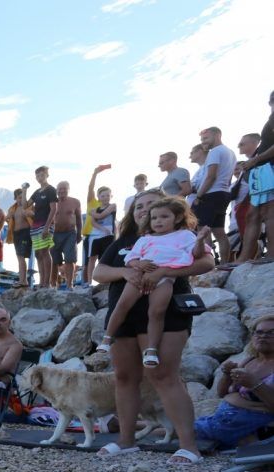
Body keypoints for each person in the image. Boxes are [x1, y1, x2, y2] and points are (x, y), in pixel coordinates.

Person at [92, 188, 215, 465]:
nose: (144, 211)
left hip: (166, 311)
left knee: (164, 376)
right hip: (125, 315)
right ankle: (126, 441)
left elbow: (207, 262)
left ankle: (188, 447)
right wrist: (125, 271)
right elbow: (98, 273)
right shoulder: (123, 241)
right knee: (124, 377)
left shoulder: (182, 237)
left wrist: (166, 272)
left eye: (150, 206)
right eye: (139, 207)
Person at [98, 197, 207, 367]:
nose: (158, 221)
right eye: (154, 217)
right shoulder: (143, 239)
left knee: (157, 312)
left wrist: (200, 240)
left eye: (164, 217)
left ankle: (151, 350)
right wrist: (135, 266)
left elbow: (200, 256)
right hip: (139, 278)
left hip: (165, 282)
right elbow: (130, 260)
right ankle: (107, 338)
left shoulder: (185, 236)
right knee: (122, 305)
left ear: (177, 218)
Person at [195, 317, 274, 449]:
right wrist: (227, 375)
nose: (263, 336)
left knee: (181, 430)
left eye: (271, 332)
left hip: (245, 426)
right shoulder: (250, 361)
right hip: (222, 421)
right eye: (259, 332)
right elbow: (222, 393)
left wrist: (255, 384)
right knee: (177, 427)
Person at [192, 126, 237, 263]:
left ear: (217, 135)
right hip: (223, 193)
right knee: (219, 231)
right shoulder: (231, 153)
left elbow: (211, 176)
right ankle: (224, 263)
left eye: (206, 138)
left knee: (202, 231)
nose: (203, 142)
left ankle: (206, 262)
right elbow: (229, 178)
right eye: (202, 139)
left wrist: (199, 196)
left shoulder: (215, 152)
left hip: (210, 194)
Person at [239, 90, 274, 262]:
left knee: (269, 211)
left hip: (268, 168)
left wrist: (256, 159)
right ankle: (244, 257)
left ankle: (272, 254)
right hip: (263, 170)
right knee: (253, 214)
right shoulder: (271, 119)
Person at [84, 164, 116, 289]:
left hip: (108, 235)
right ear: (99, 197)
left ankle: (106, 282)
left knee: (105, 258)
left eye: (108, 195)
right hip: (94, 235)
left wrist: (92, 213)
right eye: (103, 196)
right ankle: (90, 282)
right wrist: (101, 226)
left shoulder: (112, 205)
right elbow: (93, 222)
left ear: (111, 196)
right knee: (91, 258)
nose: (105, 197)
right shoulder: (94, 205)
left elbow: (102, 215)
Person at [30, 166, 57, 289]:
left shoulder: (51, 190)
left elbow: (54, 209)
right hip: (35, 225)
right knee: (38, 253)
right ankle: (41, 282)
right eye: (37, 176)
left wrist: (47, 227)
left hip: (45, 224)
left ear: (47, 175)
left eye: (42, 175)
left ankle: (47, 283)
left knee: (45, 252)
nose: (39, 178)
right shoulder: (36, 192)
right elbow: (25, 205)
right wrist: (24, 190)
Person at [51, 181, 82, 288]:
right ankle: (53, 284)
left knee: (70, 259)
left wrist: (79, 234)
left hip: (70, 233)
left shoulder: (75, 202)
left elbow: (79, 219)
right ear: (56, 190)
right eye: (59, 189)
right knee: (54, 260)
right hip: (54, 234)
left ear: (68, 189)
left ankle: (70, 284)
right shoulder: (52, 202)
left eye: (64, 188)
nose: (61, 191)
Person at [6, 184, 34, 287]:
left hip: (25, 233)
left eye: (22, 197)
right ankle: (22, 280)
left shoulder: (27, 206)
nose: (21, 199)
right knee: (19, 257)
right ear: (15, 198)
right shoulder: (13, 209)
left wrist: (29, 213)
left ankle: (24, 281)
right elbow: (7, 218)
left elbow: (32, 215)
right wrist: (8, 217)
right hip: (16, 234)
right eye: (19, 197)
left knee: (21, 257)